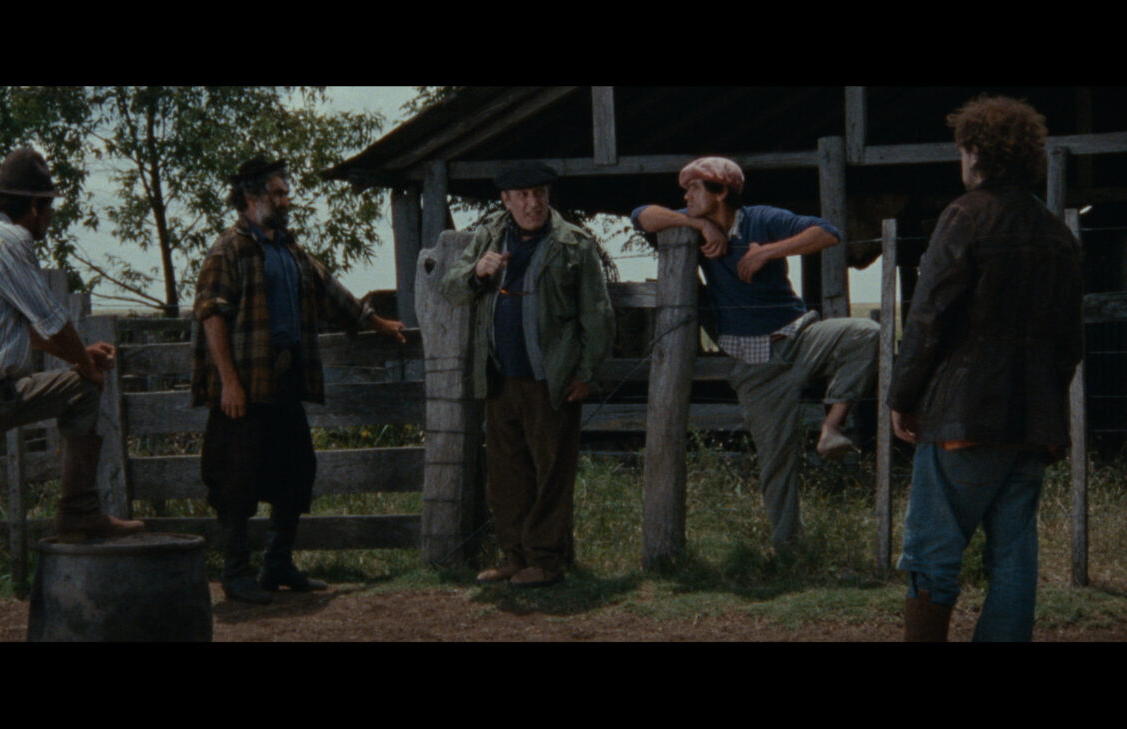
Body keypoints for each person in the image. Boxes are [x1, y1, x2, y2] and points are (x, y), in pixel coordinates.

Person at [0, 148, 145, 642]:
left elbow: (15, 327)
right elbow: (52, 321)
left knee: (81, 389)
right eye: (50, 207)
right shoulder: (11, 242)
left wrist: (81, 362)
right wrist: (84, 358)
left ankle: (79, 513)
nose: (50, 218)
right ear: (36, 207)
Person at [889, 96, 1083, 642]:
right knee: (1014, 556)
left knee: (932, 551)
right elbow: (1070, 342)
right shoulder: (1058, 234)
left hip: (964, 416)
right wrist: (1049, 412)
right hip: (1034, 426)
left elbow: (928, 317)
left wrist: (902, 396)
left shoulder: (964, 216)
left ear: (975, 152)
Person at [632, 157, 878, 552]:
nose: (686, 195)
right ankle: (788, 552)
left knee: (866, 334)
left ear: (720, 192)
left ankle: (832, 427)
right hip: (753, 366)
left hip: (798, 338)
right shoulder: (695, 223)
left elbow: (828, 233)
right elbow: (641, 215)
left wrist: (768, 252)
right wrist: (698, 225)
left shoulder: (762, 219)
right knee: (776, 461)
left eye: (694, 187)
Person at [192, 155, 407, 604]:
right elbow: (211, 314)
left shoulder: (290, 249)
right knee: (235, 477)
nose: (286, 201)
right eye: (277, 193)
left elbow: (332, 294)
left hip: (285, 379)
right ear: (251, 197)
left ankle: (277, 564)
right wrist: (229, 382)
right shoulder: (227, 249)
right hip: (245, 383)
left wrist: (377, 324)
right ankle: (235, 572)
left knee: (296, 469)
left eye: (286, 193)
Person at [441, 161, 615, 588]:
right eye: (523, 196)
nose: (532, 203)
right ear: (506, 200)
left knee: (552, 474)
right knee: (506, 477)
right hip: (499, 379)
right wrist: (476, 272)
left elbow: (598, 316)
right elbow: (450, 287)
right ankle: (514, 558)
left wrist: (586, 373)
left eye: (539, 194)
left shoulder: (573, 244)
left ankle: (546, 561)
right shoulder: (488, 237)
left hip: (551, 381)